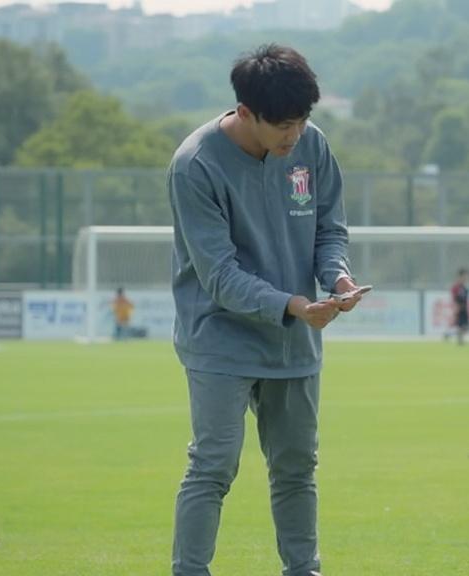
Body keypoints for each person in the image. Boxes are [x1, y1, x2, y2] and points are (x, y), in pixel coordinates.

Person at [168, 44, 366, 576]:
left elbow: (329, 230)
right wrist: (295, 304)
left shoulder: (312, 146)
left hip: (293, 339)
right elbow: (219, 276)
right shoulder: (196, 165)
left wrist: (338, 276)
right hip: (219, 337)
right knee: (212, 466)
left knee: (297, 468)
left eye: (302, 122)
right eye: (282, 125)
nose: (293, 136)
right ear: (246, 112)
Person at [444, 268, 469, 345]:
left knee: (465, 327)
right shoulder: (457, 287)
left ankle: (449, 335)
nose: (467, 278)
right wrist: (456, 307)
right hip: (460, 308)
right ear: (461, 276)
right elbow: (455, 297)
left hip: (464, 308)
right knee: (461, 326)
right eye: (465, 276)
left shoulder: (463, 287)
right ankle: (460, 341)